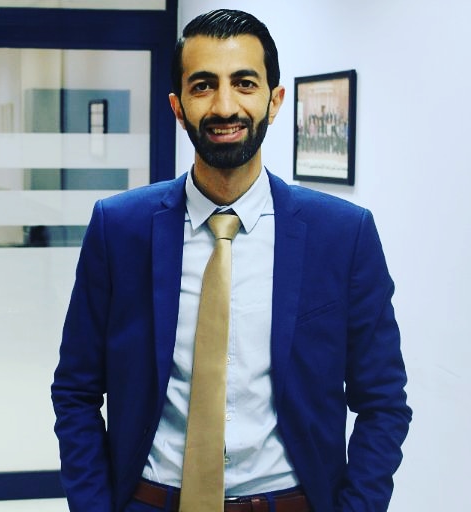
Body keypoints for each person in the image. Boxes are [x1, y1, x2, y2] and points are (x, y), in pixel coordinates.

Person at [52, 9, 411, 512]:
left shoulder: (343, 235)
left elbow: (384, 401)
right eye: (203, 86)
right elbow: (75, 390)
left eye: (244, 83)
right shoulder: (120, 229)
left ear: (274, 101)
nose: (225, 106)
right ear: (178, 107)